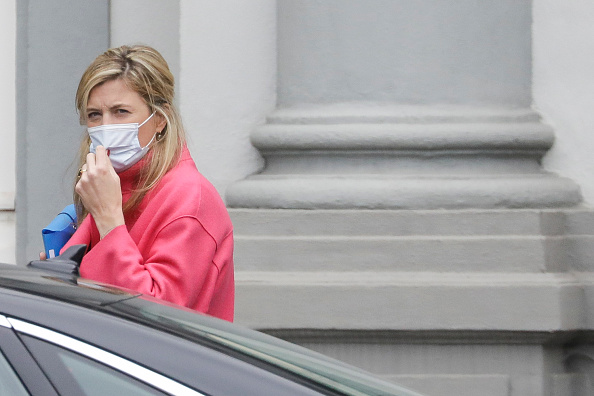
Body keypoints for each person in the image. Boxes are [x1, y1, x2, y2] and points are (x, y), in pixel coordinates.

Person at [59, 44, 234, 321]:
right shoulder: (113, 185)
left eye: (121, 112)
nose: (106, 127)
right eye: (95, 115)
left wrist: (108, 220)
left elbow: (154, 313)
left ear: (160, 119)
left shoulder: (189, 197)